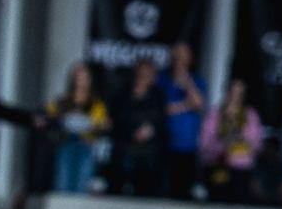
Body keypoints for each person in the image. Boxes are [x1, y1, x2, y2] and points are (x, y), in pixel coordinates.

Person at [45, 62, 108, 194]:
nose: (81, 80)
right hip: (65, 143)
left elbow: (100, 124)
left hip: (85, 144)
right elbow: (48, 115)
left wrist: (100, 125)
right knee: (62, 181)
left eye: (84, 76)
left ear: (89, 79)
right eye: (78, 76)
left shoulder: (96, 104)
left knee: (81, 183)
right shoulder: (61, 101)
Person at [200, 78, 264, 202]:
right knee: (217, 200)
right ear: (227, 93)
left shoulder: (250, 116)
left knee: (237, 202)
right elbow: (204, 143)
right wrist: (222, 145)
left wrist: (238, 140)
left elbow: (257, 144)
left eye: (239, 93)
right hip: (218, 167)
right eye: (232, 92)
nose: (235, 97)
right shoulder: (215, 115)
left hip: (241, 170)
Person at [110, 58, 166, 196]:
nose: (143, 77)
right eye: (140, 73)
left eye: (147, 74)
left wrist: (151, 130)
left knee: (146, 193)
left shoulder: (158, 97)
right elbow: (115, 121)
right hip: (124, 150)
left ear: (152, 77)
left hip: (149, 154)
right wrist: (132, 133)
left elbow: (162, 121)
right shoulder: (121, 95)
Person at [160, 41, 206, 198]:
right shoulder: (162, 80)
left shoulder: (197, 82)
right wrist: (187, 105)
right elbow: (163, 109)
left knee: (183, 194)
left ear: (190, 59)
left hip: (187, 147)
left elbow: (198, 103)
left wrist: (186, 80)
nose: (179, 59)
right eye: (177, 55)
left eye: (183, 56)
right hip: (164, 145)